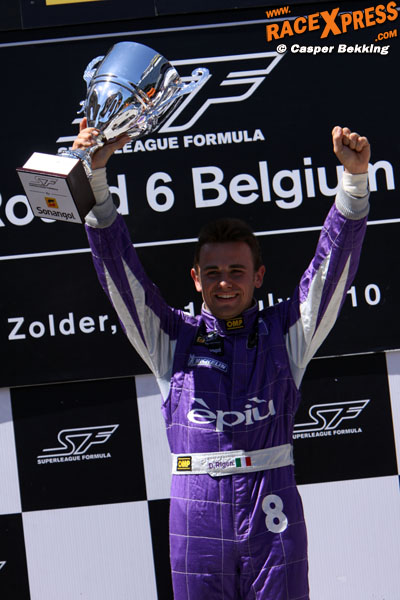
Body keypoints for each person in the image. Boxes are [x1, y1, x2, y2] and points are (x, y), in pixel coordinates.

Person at [73, 119, 370, 600]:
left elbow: (329, 274)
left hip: (270, 507)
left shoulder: (286, 333)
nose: (225, 282)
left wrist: (354, 186)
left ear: (259, 276)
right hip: (197, 514)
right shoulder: (171, 338)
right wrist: (96, 184)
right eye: (212, 272)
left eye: (237, 270)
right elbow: (121, 276)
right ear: (195, 279)